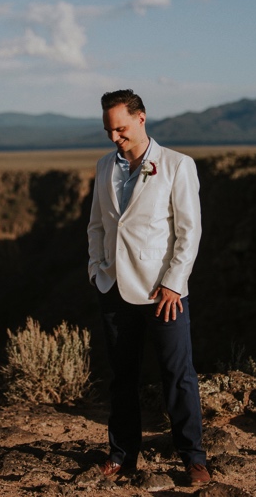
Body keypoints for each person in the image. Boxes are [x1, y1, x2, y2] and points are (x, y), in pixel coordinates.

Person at [86, 89, 209, 485]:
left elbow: (189, 231)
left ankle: (193, 459)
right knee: (122, 377)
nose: (114, 138)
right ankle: (122, 456)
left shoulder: (177, 165)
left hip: (163, 293)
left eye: (120, 129)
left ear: (141, 118)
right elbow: (98, 225)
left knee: (178, 374)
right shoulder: (105, 167)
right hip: (114, 288)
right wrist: (96, 269)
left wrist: (174, 283)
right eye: (108, 130)